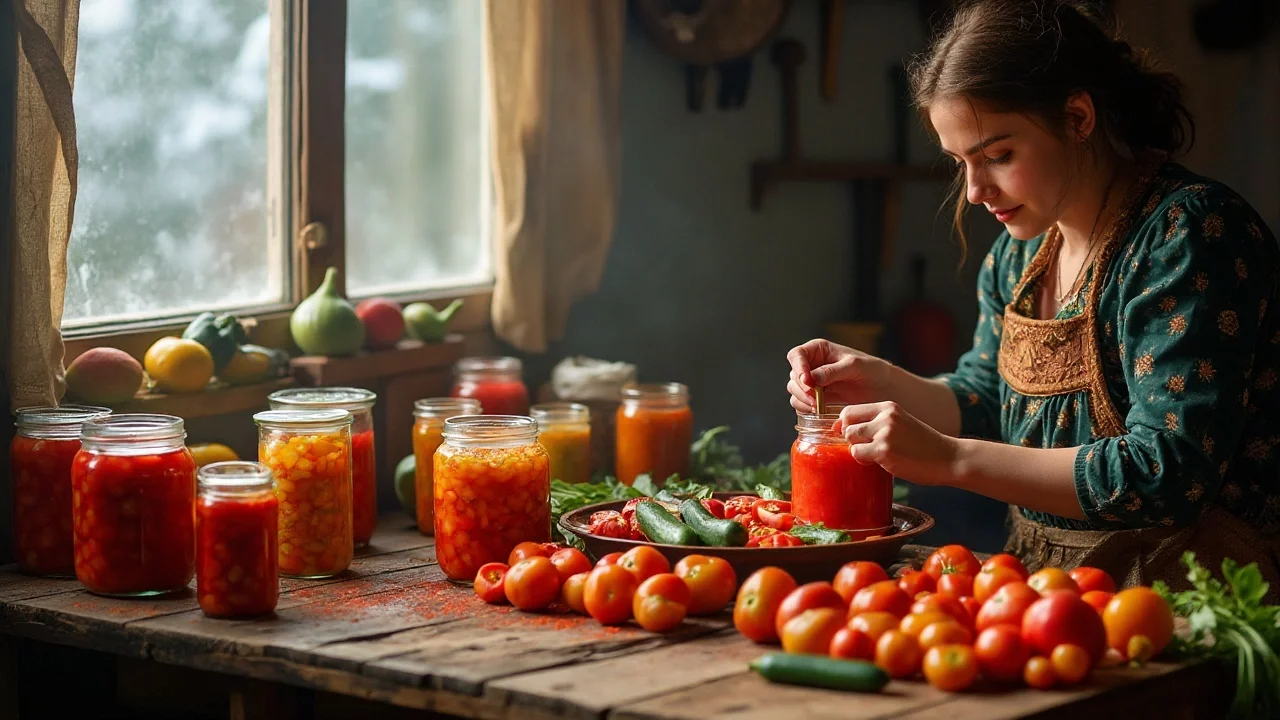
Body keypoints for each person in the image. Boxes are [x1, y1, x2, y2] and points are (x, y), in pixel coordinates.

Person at [786, 0, 1280, 597]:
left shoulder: (1188, 234)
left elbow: (1166, 471)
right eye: (960, 163)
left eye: (998, 156)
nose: (973, 191)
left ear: (1077, 117)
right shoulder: (1019, 256)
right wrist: (880, 380)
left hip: (1189, 599)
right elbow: (989, 399)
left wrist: (951, 460)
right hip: (1049, 596)